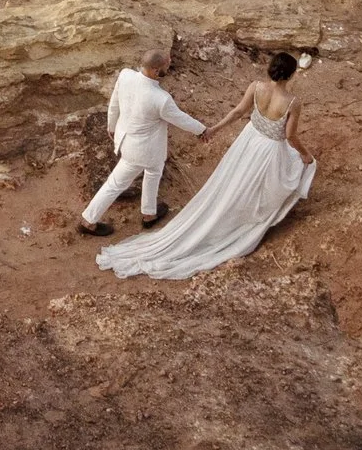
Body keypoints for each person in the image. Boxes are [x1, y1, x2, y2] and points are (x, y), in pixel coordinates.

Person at [95, 51, 317, 280]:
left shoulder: (256, 87)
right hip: (269, 149)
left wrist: (213, 130)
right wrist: (306, 154)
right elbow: (290, 136)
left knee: (232, 179)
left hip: (248, 141)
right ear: (290, 75)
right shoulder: (292, 102)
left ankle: (159, 214)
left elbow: (238, 111)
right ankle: (249, 217)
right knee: (269, 181)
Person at [77, 47, 206, 237]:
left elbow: (114, 104)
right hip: (143, 151)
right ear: (155, 70)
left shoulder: (125, 75)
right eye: (166, 66)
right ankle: (89, 221)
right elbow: (181, 119)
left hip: (125, 139)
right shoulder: (161, 99)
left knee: (150, 173)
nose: (168, 68)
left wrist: (111, 126)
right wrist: (202, 130)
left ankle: (149, 213)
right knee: (120, 182)